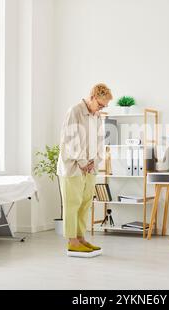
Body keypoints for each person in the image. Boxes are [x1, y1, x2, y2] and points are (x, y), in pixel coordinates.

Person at [57, 83, 113, 253]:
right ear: (92, 97)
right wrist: (82, 162)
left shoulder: (97, 116)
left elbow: (100, 141)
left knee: (85, 203)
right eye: (100, 104)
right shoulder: (74, 111)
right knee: (72, 203)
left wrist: (94, 162)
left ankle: (81, 238)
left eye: (104, 106)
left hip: (89, 168)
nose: (101, 108)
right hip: (73, 167)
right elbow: (70, 140)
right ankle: (72, 241)